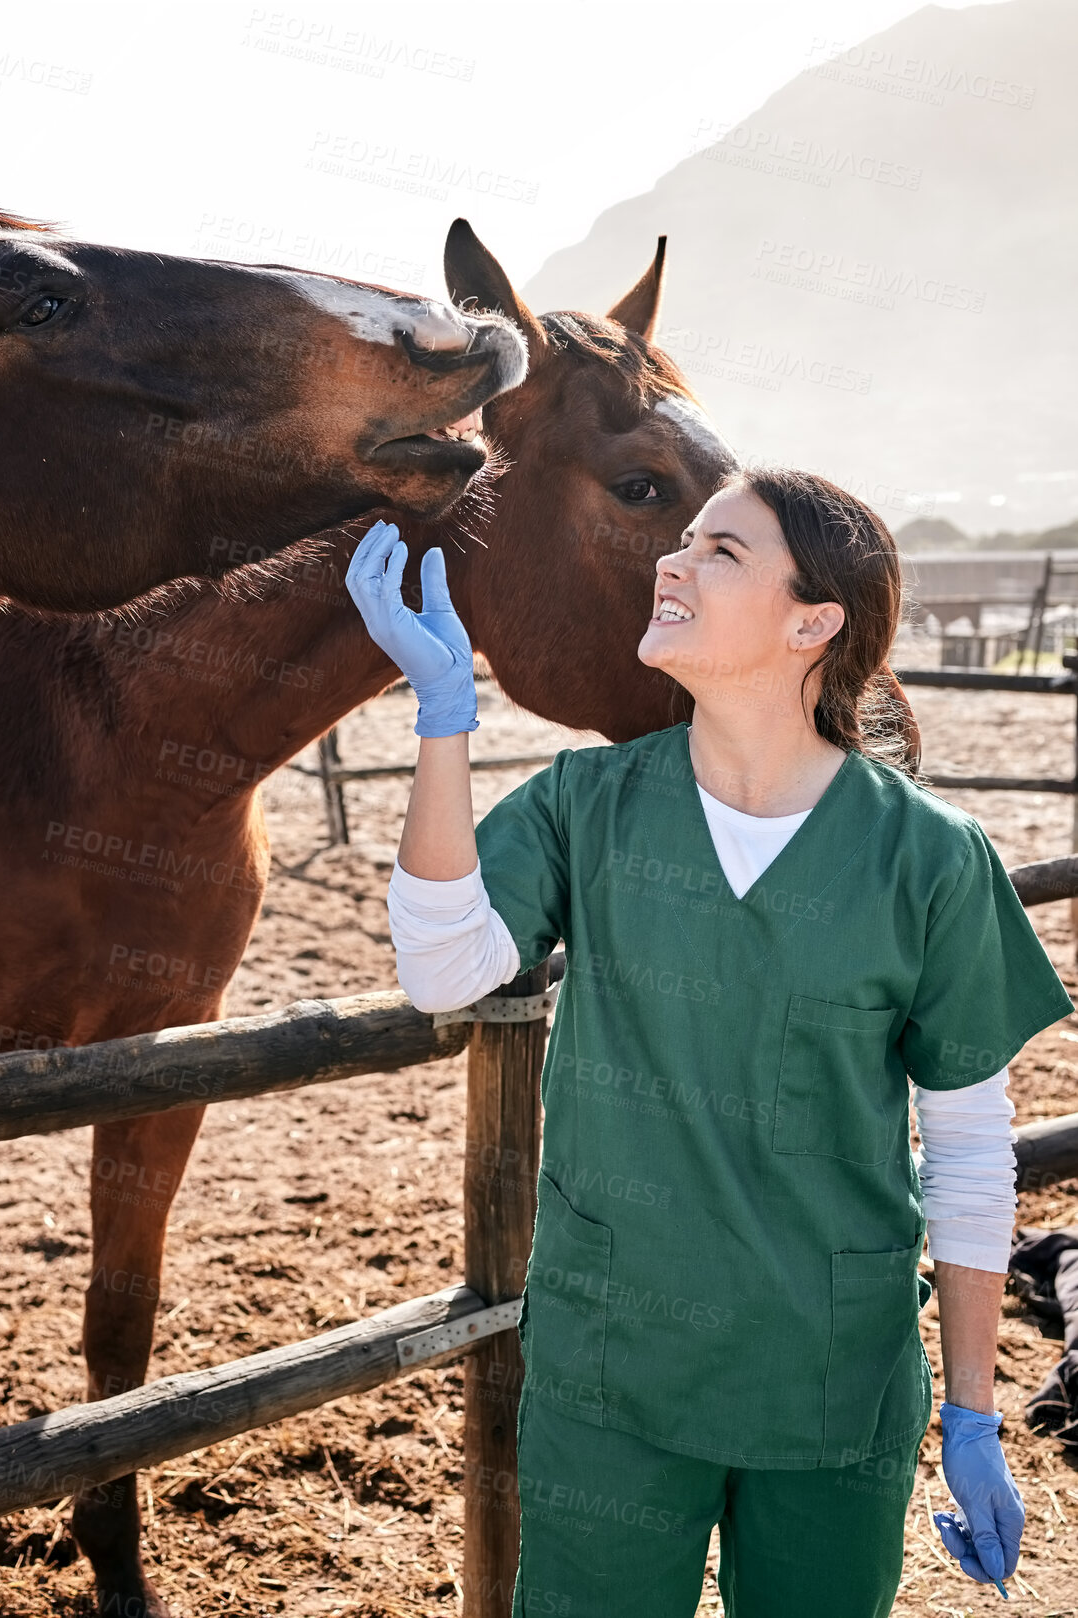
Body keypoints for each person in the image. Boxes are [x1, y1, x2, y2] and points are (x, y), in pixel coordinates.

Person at [345, 466, 1074, 1616]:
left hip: (827, 1388)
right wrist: (444, 721)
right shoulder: (584, 804)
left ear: (810, 621)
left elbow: (973, 1153)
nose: (669, 563)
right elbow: (442, 965)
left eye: (717, 552)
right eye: (678, 541)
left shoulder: (929, 859)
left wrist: (973, 1411)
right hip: (609, 1379)